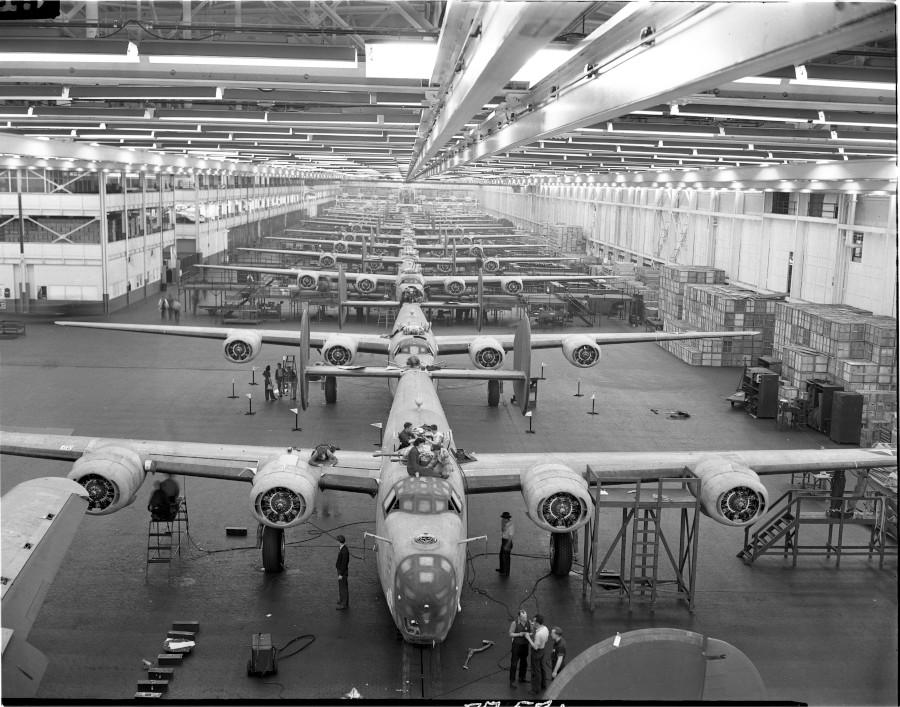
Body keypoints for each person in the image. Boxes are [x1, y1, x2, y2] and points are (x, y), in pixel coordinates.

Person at [526, 614, 550, 695]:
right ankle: (543, 684)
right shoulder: (545, 628)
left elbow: (535, 647)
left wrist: (528, 638)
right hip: (543, 650)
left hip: (536, 653)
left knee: (536, 671)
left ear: (537, 623)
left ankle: (536, 689)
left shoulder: (538, 634)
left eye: (534, 621)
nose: (533, 622)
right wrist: (533, 626)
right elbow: (546, 640)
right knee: (542, 668)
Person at [508, 608, 530, 688]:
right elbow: (510, 634)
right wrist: (519, 634)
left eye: (526, 617)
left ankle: (522, 677)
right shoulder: (514, 623)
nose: (525, 619)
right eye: (523, 617)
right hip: (516, 646)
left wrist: (528, 634)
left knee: (524, 662)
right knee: (514, 664)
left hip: (525, 646)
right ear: (519, 617)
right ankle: (512, 681)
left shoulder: (528, 622)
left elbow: (531, 632)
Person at [497, 511, 514, 576]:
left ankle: (506, 572)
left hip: (508, 542)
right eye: (503, 518)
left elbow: (511, 537)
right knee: (501, 555)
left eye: (504, 518)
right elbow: (503, 530)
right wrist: (503, 524)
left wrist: (507, 545)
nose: (502, 519)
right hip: (504, 540)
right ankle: (502, 569)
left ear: (507, 518)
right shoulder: (504, 522)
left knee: (506, 558)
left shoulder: (511, 526)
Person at [335, 534, 349, 610]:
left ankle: (344, 604)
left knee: (343, 588)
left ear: (339, 541)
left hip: (342, 572)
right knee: (341, 586)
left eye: (337, 541)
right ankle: (341, 600)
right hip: (341, 570)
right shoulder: (343, 548)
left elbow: (344, 564)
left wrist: (341, 574)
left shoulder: (344, 551)